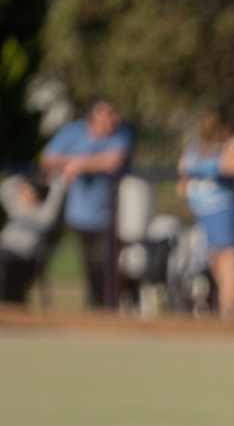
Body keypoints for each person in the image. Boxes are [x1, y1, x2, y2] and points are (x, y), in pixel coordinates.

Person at [39, 99, 134, 309]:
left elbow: (113, 161)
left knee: (109, 267)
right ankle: (95, 311)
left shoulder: (121, 134)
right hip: (79, 215)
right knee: (90, 268)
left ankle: (112, 310)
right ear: (93, 117)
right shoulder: (73, 132)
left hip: (111, 216)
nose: (113, 118)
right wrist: (74, 163)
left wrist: (79, 165)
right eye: (107, 114)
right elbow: (47, 158)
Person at [178, 106, 234, 318]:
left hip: (216, 213)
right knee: (222, 262)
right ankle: (230, 310)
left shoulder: (201, 152)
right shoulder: (208, 152)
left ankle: (230, 310)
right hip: (214, 213)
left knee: (227, 261)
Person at [0, 174, 68, 304]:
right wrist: (22, 179)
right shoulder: (15, 210)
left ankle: (8, 303)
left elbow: (57, 193)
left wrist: (50, 179)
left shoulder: (44, 214)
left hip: (22, 258)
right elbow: (6, 187)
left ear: (36, 194)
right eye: (21, 191)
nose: (21, 194)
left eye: (26, 191)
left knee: (3, 260)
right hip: (4, 251)